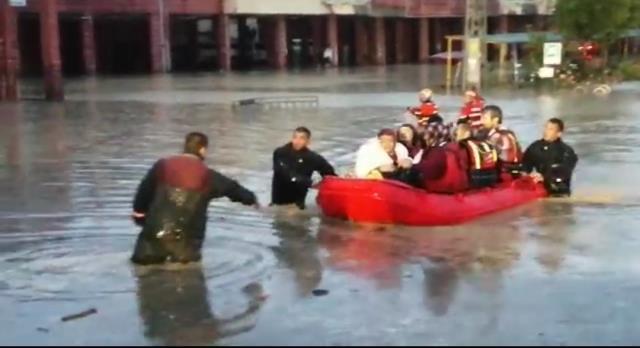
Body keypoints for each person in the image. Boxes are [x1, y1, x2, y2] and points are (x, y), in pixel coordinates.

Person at [131, 132, 258, 265]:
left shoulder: (162, 166)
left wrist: (139, 215)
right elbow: (234, 189)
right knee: (183, 279)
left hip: (149, 245)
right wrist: (252, 199)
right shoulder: (207, 176)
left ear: (185, 147)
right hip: (184, 249)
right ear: (202, 150)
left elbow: (143, 193)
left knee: (147, 281)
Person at [271, 127, 336, 210]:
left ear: (308, 141)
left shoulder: (313, 158)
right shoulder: (280, 153)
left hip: (298, 206)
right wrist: (311, 183)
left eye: (301, 138)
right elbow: (285, 173)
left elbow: (330, 175)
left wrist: (324, 184)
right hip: (278, 205)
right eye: (295, 137)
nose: (297, 141)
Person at [523, 118, 578, 196]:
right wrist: (527, 175)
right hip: (540, 189)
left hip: (559, 192)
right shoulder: (535, 147)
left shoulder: (566, 151)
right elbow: (525, 165)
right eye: (545, 127)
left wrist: (544, 178)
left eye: (550, 129)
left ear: (559, 133)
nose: (546, 131)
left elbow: (564, 172)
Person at [480, 105, 524, 180]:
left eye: (485, 118)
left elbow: (486, 158)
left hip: (504, 173)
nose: (481, 121)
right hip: (515, 170)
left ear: (495, 120)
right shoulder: (508, 132)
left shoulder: (497, 136)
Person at [456, 123, 499, 189]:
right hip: (493, 177)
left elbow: (461, 166)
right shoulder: (486, 142)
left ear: (467, 133)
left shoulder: (463, 145)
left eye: (458, 133)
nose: (457, 136)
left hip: (476, 179)